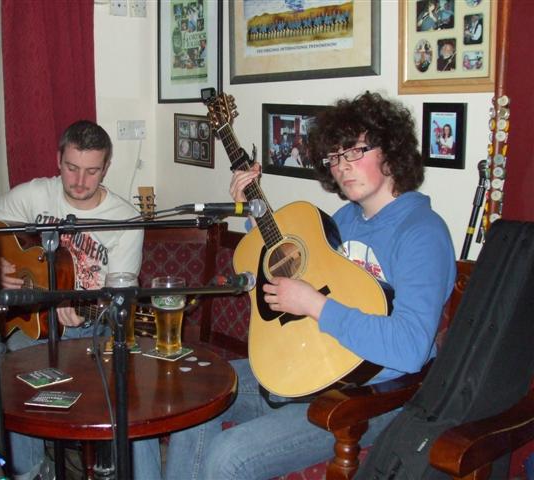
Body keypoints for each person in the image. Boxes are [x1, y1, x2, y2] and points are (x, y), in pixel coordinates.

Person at [160, 92, 456, 479]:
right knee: (196, 400)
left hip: (367, 398)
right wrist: (253, 214)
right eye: (334, 157)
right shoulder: (346, 219)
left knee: (230, 454)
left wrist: (316, 306)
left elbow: (410, 348)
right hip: (306, 365)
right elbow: (300, 271)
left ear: (391, 148)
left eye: (354, 152)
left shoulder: (421, 234)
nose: (342, 167)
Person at [0, 120, 158, 480]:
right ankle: (30, 473)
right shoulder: (37, 194)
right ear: (58, 160)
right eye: (71, 168)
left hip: (91, 330)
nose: (80, 181)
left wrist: (86, 313)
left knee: (130, 389)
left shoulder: (125, 219)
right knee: (6, 372)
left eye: (91, 171)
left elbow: (120, 301)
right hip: (34, 326)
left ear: (106, 168)